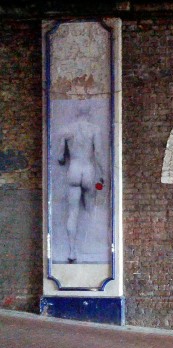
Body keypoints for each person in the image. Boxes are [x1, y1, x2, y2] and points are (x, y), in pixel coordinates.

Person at [56, 101, 105, 263]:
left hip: (74, 170)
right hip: (88, 170)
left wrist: (65, 148)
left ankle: (72, 251)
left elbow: (60, 158)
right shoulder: (95, 129)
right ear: (89, 113)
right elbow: (98, 154)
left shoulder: (67, 130)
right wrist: (103, 173)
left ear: (77, 113)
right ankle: (90, 245)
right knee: (90, 209)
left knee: (73, 212)